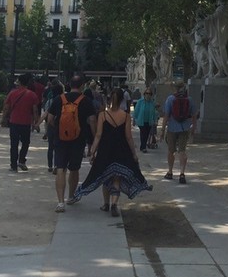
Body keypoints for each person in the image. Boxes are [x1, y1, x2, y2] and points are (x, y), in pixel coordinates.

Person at [72, 87, 152, 215]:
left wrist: (92, 151)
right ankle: (114, 203)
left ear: (109, 99)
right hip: (121, 150)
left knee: (105, 177)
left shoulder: (103, 115)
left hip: (105, 150)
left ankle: (106, 204)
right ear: (121, 100)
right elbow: (128, 137)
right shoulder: (126, 116)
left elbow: (98, 135)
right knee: (117, 178)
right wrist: (134, 153)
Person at [47, 76, 97, 213]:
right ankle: (70, 197)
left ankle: (60, 202)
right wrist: (94, 138)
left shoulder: (59, 99)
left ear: (69, 85)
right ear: (81, 86)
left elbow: (50, 119)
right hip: (78, 139)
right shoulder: (86, 101)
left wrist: (58, 128)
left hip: (60, 139)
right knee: (74, 169)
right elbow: (92, 120)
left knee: (61, 168)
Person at [3, 74, 40, 172]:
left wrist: (3, 118)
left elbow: (6, 107)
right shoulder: (32, 95)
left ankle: (13, 166)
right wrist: (36, 122)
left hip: (14, 122)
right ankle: (22, 160)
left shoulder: (12, 93)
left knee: (14, 144)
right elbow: (35, 110)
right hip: (26, 123)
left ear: (19, 82)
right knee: (26, 143)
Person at [163, 81, 196, 183]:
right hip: (184, 128)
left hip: (172, 128)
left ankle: (170, 171)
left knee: (170, 151)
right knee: (182, 151)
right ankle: (182, 173)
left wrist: (162, 129)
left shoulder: (170, 99)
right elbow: (194, 115)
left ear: (174, 88)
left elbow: (166, 116)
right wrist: (193, 127)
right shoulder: (189, 100)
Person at [41, 79, 64, 173]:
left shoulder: (50, 101)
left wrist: (39, 124)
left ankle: (50, 166)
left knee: (50, 147)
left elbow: (46, 115)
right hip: (61, 125)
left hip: (51, 125)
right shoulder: (64, 101)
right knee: (58, 147)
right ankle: (57, 165)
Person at [133, 88, 158, 153]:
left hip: (149, 121)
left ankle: (143, 146)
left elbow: (154, 112)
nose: (148, 95)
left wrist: (155, 120)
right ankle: (143, 147)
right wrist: (134, 119)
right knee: (143, 133)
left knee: (146, 134)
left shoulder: (152, 103)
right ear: (144, 94)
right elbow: (136, 111)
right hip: (141, 121)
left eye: (149, 94)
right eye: (146, 93)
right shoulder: (140, 102)